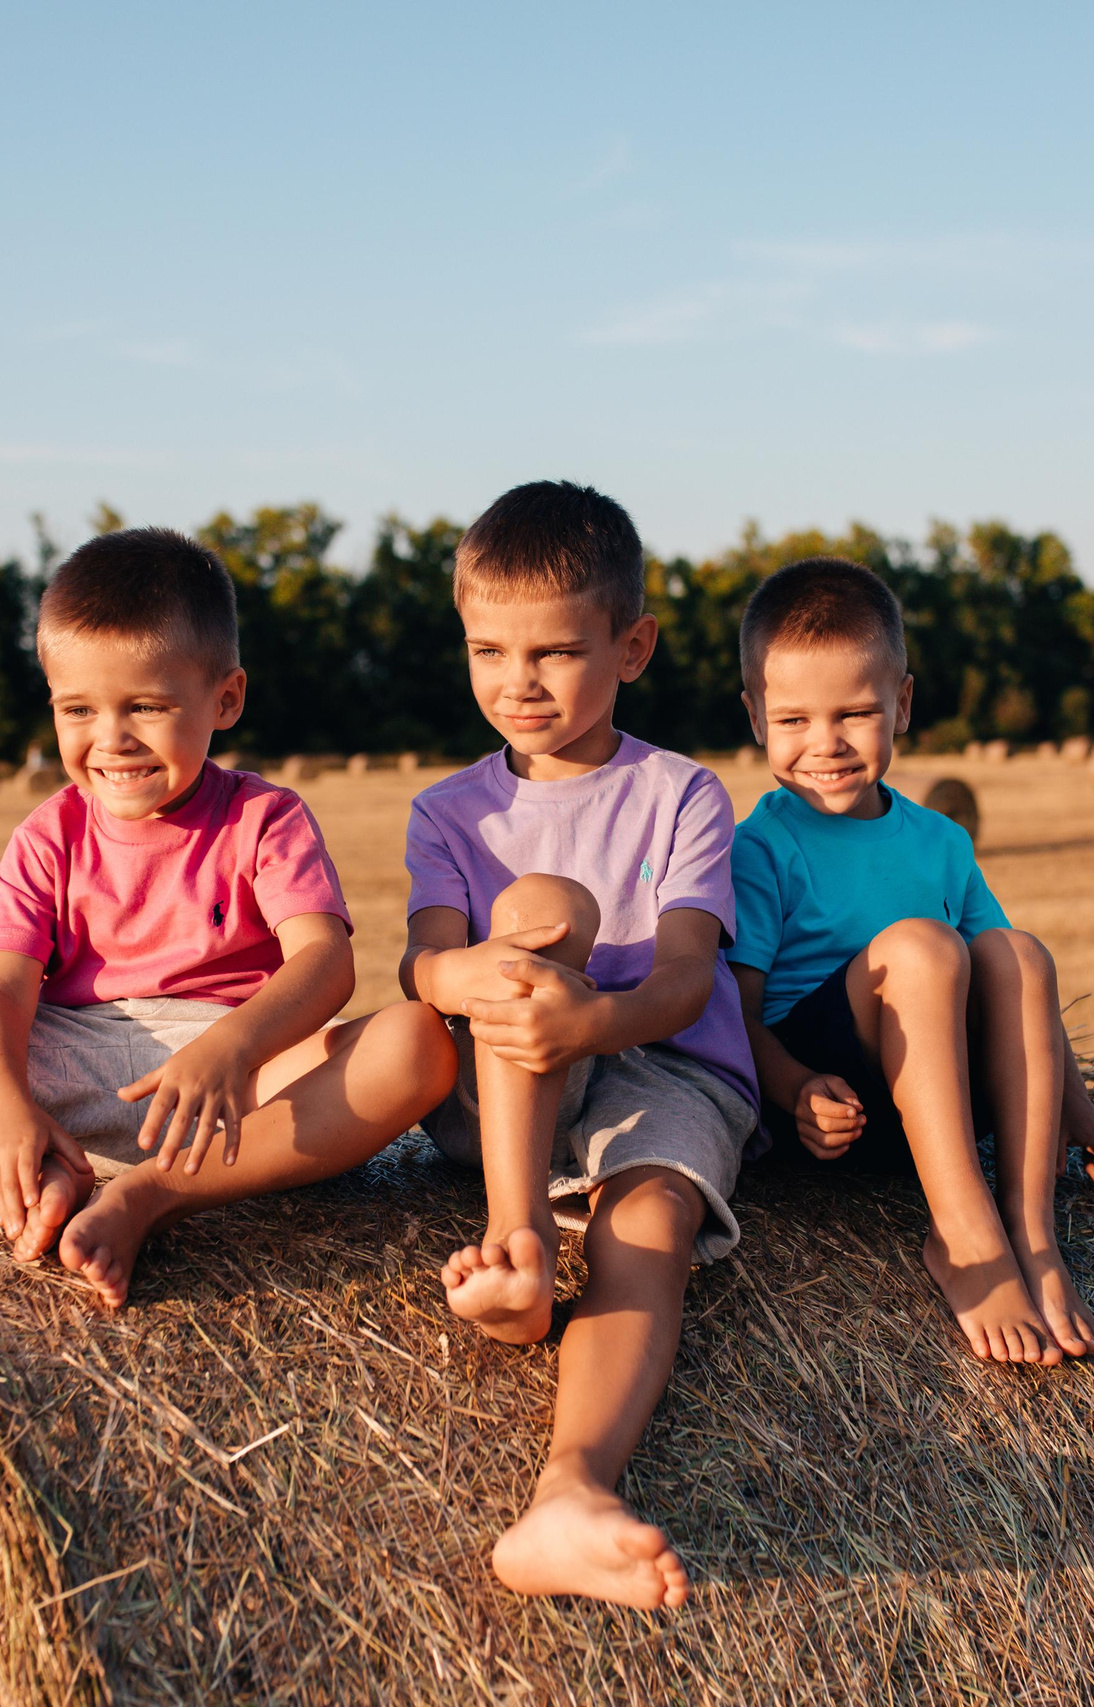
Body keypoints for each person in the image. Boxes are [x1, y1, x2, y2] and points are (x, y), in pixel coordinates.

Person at [0, 528, 457, 1307]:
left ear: (225, 698)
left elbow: (324, 961)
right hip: (67, 1055)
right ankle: (31, 1159)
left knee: (418, 1043)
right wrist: (1, 1110)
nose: (111, 739)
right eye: (79, 708)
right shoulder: (49, 834)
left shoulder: (265, 818)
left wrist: (230, 1047)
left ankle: (150, 1195)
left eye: (147, 707)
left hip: (237, 1076)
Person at [401, 480, 757, 1612]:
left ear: (632, 646)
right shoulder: (448, 811)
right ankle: (517, 1247)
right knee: (543, 911)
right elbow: (424, 966)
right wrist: (497, 978)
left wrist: (587, 1018)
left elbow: (686, 981)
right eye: (488, 650)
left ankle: (572, 1489)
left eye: (554, 652)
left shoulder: (681, 794)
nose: (518, 682)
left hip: (664, 1064)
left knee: (648, 1216)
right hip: (510, 1092)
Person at [727, 557, 1094, 1366]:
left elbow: (1023, 996)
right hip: (833, 1111)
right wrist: (795, 1088)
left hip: (943, 1097)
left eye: (855, 713)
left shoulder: (942, 840)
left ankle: (1033, 1235)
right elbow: (734, 1010)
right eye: (795, 719)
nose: (826, 744)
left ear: (902, 704)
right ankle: (964, 1235)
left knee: (1016, 949)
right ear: (756, 717)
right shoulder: (760, 847)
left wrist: (1075, 1105)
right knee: (924, 945)